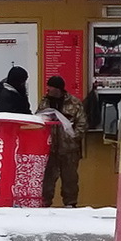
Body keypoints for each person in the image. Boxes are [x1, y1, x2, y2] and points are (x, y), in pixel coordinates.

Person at [39, 75, 87, 208]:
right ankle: (44, 202)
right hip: (49, 147)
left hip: (69, 149)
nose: (47, 89)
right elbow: (39, 119)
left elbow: (82, 123)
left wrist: (73, 137)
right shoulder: (45, 102)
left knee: (70, 178)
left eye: (50, 87)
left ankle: (70, 203)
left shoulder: (74, 103)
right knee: (47, 178)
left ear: (58, 89)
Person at [0, 66, 31, 188]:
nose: (24, 84)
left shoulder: (15, 88)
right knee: (9, 163)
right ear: (17, 81)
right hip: (9, 134)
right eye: (22, 81)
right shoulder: (5, 94)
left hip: (16, 132)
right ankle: (7, 188)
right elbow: (10, 115)